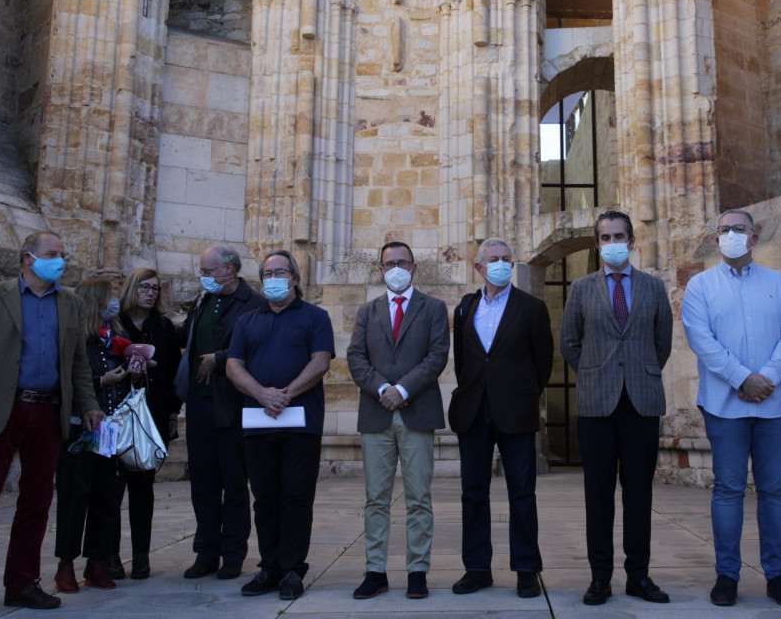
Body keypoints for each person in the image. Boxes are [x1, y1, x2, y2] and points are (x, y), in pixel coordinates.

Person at [0, 231, 100, 619]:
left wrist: (88, 405)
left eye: (63, 254)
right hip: (1, 407)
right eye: (53, 254)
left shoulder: (71, 304)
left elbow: (78, 363)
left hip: (48, 410)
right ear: (28, 258)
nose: (61, 261)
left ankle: (21, 583)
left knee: (37, 501)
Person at [681, 209, 781, 608]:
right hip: (725, 405)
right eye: (725, 230)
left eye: (740, 229)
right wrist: (742, 378)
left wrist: (767, 376)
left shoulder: (779, 283)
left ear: (754, 237)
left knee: (774, 491)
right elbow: (702, 341)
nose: (731, 235)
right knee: (728, 489)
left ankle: (778, 575)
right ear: (716, 239)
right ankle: (727, 575)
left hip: (774, 403)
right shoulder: (700, 286)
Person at [559, 210, 673, 607]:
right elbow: (570, 343)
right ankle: (600, 577)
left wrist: (638, 371)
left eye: (619, 236)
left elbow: (663, 343)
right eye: (605, 237)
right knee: (598, 494)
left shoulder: (653, 288)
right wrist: (595, 371)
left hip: (641, 401)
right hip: (596, 403)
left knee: (639, 493)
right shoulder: (581, 289)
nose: (613, 243)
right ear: (596, 244)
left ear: (632, 241)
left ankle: (638, 575)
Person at [226, 250, 335, 601]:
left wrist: (285, 395)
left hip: (300, 423)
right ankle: (269, 566)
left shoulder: (315, 317)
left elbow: (320, 362)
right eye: (268, 272)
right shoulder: (247, 320)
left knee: (296, 496)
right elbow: (233, 366)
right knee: (265, 497)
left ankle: (292, 569)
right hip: (259, 422)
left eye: (281, 272)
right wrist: (262, 394)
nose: (274, 278)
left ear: (295, 278)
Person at [449, 238, 553, 599]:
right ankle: (477, 568)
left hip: (517, 410)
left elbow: (543, 363)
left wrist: (522, 394)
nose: (500, 264)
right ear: (479, 268)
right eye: (493, 259)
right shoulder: (466, 308)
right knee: (473, 492)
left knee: (522, 492)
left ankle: (526, 569)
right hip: (474, 409)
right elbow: (464, 361)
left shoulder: (532, 308)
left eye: (506, 259)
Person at [346, 241, 450, 600]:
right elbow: (356, 356)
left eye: (402, 262)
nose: (396, 268)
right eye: (389, 263)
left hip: (416, 411)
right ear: (380, 269)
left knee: (419, 497)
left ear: (414, 267)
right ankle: (375, 570)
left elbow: (437, 355)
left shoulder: (433, 308)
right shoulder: (368, 311)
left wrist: (403, 390)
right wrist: (382, 389)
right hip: (376, 413)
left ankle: (417, 570)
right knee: (376, 497)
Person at [173, 244, 262, 580]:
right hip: (199, 401)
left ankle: (234, 553)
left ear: (230, 269)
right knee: (203, 480)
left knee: (234, 480)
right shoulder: (202, 300)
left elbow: (255, 348)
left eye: (208, 270)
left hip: (232, 402)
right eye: (202, 271)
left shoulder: (251, 304)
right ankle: (206, 551)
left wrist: (220, 360)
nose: (204, 276)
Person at [53, 279, 133, 594]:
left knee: (107, 497)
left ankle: (97, 560)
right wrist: (102, 380)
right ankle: (66, 563)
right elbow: (71, 380)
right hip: (80, 428)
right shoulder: (79, 339)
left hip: (109, 428)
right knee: (75, 497)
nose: (114, 302)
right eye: (110, 297)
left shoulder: (114, 339)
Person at [113, 267, 183, 580]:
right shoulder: (114, 324)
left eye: (155, 288)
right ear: (131, 289)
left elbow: (172, 372)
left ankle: (141, 555)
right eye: (144, 287)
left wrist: (171, 414)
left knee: (143, 487)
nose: (150, 293)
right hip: (115, 415)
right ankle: (109, 555)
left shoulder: (163, 327)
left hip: (150, 415)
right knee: (110, 490)